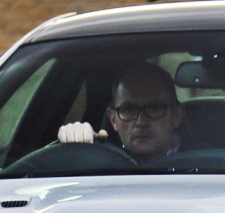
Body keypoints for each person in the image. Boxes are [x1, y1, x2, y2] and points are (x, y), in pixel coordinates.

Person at [57, 62, 185, 163]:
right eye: (129, 110)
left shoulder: (202, 161)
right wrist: (78, 147)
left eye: (154, 109)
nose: (141, 122)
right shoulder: (99, 163)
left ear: (176, 115)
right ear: (113, 119)